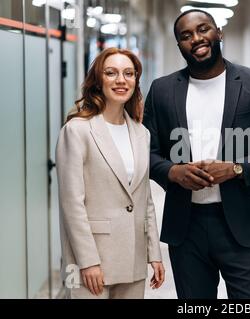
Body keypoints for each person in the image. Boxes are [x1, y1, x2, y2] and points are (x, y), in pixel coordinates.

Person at [143, 9, 250, 299]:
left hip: (243, 223)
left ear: (219, 32)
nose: (196, 39)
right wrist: (173, 172)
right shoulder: (162, 90)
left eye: (203, 29)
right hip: (186, 227)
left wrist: (237, 168)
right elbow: (146, 153)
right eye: (186, 36)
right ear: (179, 45)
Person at [56, 47, 165, 299]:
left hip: (133, 256)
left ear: (136, 81)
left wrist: (154, 254)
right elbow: (72, 204)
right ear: (98, 80)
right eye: (111, 73)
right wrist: (88, 261)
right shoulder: (77, 130)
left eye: (129, 73)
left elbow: (144, 199)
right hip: (91, 260)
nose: (121, 80)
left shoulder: (141, 133)